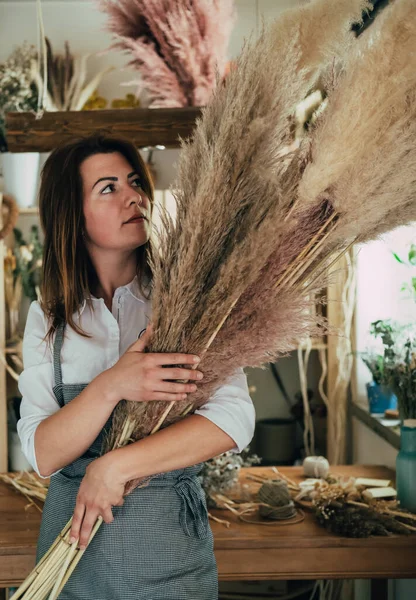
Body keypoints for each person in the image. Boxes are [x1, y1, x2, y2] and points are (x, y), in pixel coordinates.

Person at [17, 134, 256, 600]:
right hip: (69, 568)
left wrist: (113, 468)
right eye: (107, 188)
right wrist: (112, 385)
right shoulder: (48, 317)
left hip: (169, 560)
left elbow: (233, 419)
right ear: (73, 213)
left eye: (133, 181)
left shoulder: (187, 305)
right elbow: (42, 452)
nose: (134, 196)